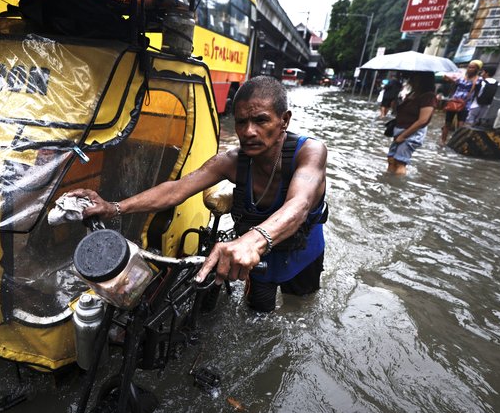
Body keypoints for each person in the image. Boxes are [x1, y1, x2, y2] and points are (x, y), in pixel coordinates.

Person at [67, 76, 328, 313]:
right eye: (241, 122)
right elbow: (176, 189)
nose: (249, 131)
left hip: (303, 252)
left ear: (284, 120)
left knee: (301, 307)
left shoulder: (310, 152)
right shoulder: (231, 161)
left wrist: (252, 239)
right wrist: (115, 207)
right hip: (258, 258)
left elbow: (300, 204)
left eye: (261, 120)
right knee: (258, 313)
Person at [387, 71, 437, 176]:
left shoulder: (428, 96)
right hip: (400, 129)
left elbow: (423, 120)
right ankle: (388, 182)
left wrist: (404, 136)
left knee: (400, 162)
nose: (411, 80)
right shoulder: (413, 94)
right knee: (391, 159)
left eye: (414, 78)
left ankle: (396, 187)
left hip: (411, 132)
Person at [441, 59, 481, 144]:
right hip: (454, 102)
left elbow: (478, 93)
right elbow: (451, 82)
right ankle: (442, 142)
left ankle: (456, 142)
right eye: (469, 67)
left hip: (465, 105)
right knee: (447, 123)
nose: (469, 69)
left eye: (472, 68)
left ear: (477, 69)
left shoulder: (478, 80)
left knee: (461, 124)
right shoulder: (460, 76)